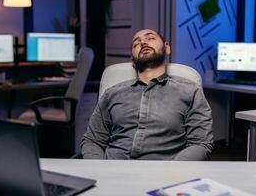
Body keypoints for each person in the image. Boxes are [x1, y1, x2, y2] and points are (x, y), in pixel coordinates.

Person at [81, 28, 214, 160]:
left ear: (167, 48)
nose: (143, 42)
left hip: (165, 173)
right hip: (114, 170)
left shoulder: (190, 91)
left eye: (150, 38)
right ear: (132, 60)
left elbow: (201, 144)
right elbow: (93, 140)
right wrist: (98, 170)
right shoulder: (112, 93)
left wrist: (175, 171)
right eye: (136, 43)